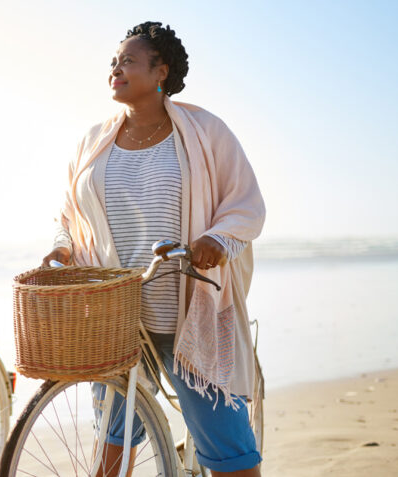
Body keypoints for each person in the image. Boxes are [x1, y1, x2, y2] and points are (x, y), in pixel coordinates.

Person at [42, 22, 266, 477]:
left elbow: (245, 204)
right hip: (117, 315)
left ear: (161, 71)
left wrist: (217, 239)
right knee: (112, 440)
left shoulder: (205, 130)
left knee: (228, 449)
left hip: (187, 313)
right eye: (113, 62)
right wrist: (62, 249)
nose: (115, 69)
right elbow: (68, 216)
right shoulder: (93, 141)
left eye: (128, 61)